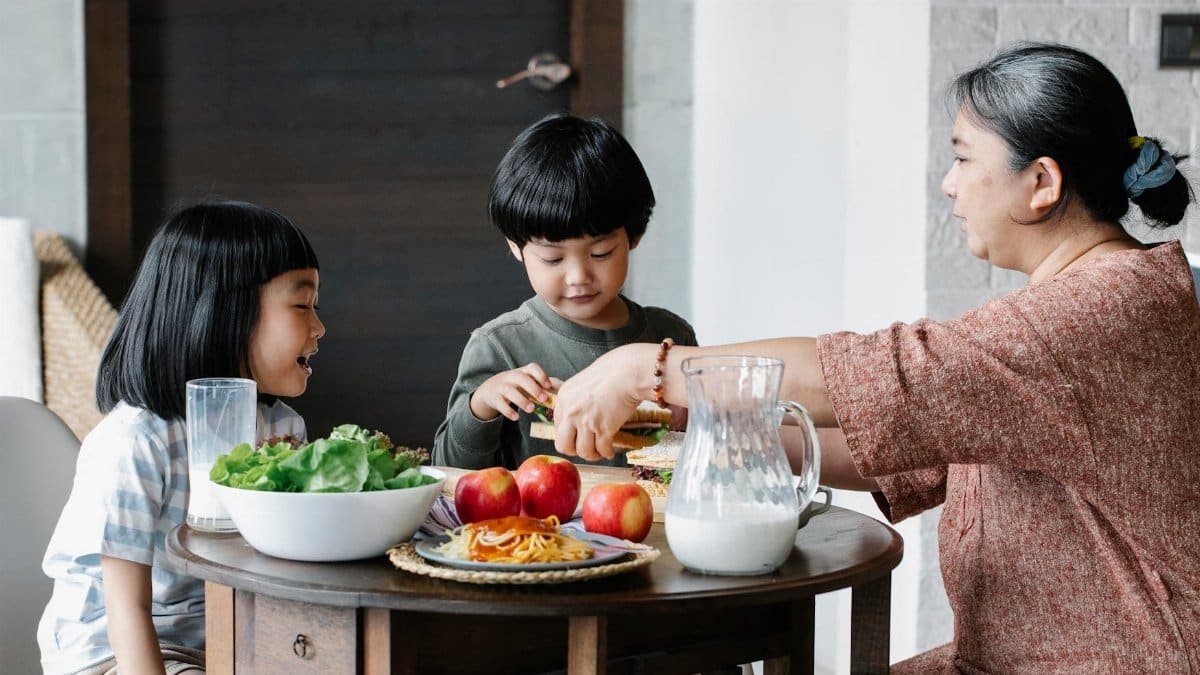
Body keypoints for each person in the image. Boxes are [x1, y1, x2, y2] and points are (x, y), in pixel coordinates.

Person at [548, 43, 1200, 672]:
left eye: (964, 159)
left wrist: (649, 367)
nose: (949, 185)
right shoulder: (1080, 303)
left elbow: (888, 377)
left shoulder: (1101, 310)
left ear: (1041, 182)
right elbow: (908, 451)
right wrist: (693, 424)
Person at [38, 201, 326, 675]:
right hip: (116, 652)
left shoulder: (282, 430)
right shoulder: (136, 442)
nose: (319, 327)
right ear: (225, 310)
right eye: (302, 305)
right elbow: (124, 610)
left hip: (225, 639)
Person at [432, 113, 696, 470]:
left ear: (634, 236)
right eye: (553, 259)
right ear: (516, 247)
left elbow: (708, 449)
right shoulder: (500, 346)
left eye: (600, 253)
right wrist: (481, 405)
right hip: (541, 526)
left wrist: (687, 420)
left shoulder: (670, 338)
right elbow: (448, 470)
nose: (578, 276)